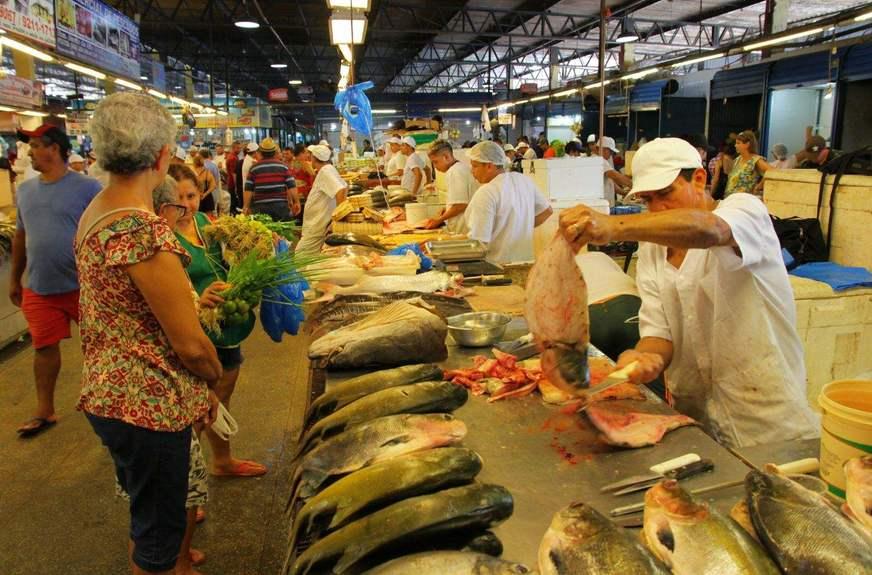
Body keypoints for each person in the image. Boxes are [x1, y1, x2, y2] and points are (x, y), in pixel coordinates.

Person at [559, 137, 819, 448]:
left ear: (699, 178)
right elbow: (660, 332)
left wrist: (614, 226)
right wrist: (645, 356)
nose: (657, 208)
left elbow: (710, 231)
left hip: (768, 423)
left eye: (666, 193)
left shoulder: (745, 212)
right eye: (648, 200)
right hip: (697, 425)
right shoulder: (653, 249)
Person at [74, 91, 222, 575]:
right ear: (161, 157)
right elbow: (190, 344)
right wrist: (212, 378)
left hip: (109, 394)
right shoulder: (144, 232)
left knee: (149, 525)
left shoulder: (97, 211)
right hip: (148, 403)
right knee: (160, 543)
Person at [170, 162, 268, 480]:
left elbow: (231, 259)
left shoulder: (207, 223)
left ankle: (223, 461)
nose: (185, 205)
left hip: (226, 328)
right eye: (178, 197)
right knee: (195, 412)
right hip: (193, 333)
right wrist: (199, 301)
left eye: (191, 195)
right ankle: (187, 489)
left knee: (221, 400)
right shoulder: (163, 237)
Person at [9, 125, 101, 437]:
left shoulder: (88, 188)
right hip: (40, 286)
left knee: (100, 346)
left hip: (84, 285)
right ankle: (44, 410)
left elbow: (101, 232)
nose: (30, 152)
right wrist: (15, 278)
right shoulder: (25, 190)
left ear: (55, 149)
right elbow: (21, 236)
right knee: (43, 347)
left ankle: (105, 402)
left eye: (35, 145)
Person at [147, 175, 209, 573]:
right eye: (177, 206)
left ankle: (170, 557)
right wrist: (208, 373)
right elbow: (186, 341)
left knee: (149, 500)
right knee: (177, 489)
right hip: (156, 392)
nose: (183, 213)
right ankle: (178, 562)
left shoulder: (105, 226)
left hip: (133, 393)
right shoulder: (152, 245)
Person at [465, 141, 552, 263]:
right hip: (525, 264)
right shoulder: (523, 180)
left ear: (489, 166)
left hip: (497, 268)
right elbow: (547, 211)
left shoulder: (486, 192)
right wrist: (519, 226)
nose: (472, 171)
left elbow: (479, 242)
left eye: (475, 166)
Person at [296, 144, 348, 255]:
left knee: (300, 256)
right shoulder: (327, 169)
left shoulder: (325, 171)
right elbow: (343, 188)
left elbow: (340, 190)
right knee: (312, 260)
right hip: (318, 224)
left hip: (316, 226)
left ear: (314, 158)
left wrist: (338, 218)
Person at [422, 140, 478, 233]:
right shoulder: (458, 168)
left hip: (462, 226)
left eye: (436, 162)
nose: (435, 167)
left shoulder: (455, 172)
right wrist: (447, 209)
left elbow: (460, 205)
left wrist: (439, 220)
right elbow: (458, 201)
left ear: (446, 157)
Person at [243, 137, 301, 221]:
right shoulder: (283, 167)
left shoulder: (254, 168)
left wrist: (246, 206)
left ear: (261, 152)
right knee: (282, 232)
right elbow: (292, 185)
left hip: (260, 208)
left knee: (264, 232)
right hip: (280, 207)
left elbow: (248, 189)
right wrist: (297, 202)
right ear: (274, 152)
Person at [725, 130, 770, 197]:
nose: (735, 145)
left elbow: (772, 171)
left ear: (747, 144)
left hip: (745, 201)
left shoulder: (755, 160)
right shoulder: (737, 160)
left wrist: (759, 186)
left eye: (738, 143)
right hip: (731, 199)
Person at [597, 136, 633, 205]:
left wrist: (624, 193)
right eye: (610, 152)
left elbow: (612, 184)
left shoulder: (604, 161)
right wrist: (633, 185)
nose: (611, 155)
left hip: (606, 203)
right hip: (602, 204)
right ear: (603, 149)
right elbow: (615, 176)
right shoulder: (600, 161)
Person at [191, 150, 217, 215]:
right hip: (207, 198)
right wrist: (205, 194)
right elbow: (213, 186)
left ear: (194, 163)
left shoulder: (191, 172)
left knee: (196, 218)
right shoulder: (207, 172)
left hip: (195, 198)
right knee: (208, 219)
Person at [225, 141, 240, 211]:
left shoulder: (232, 156)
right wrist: (236, 185)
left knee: (233, 201)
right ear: (233, 148)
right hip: (232, 183)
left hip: (230, 182)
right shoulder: (233, 158)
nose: (239, 150)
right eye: (238, 148)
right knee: (233, 202)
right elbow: (233, 173)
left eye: (240, 148)